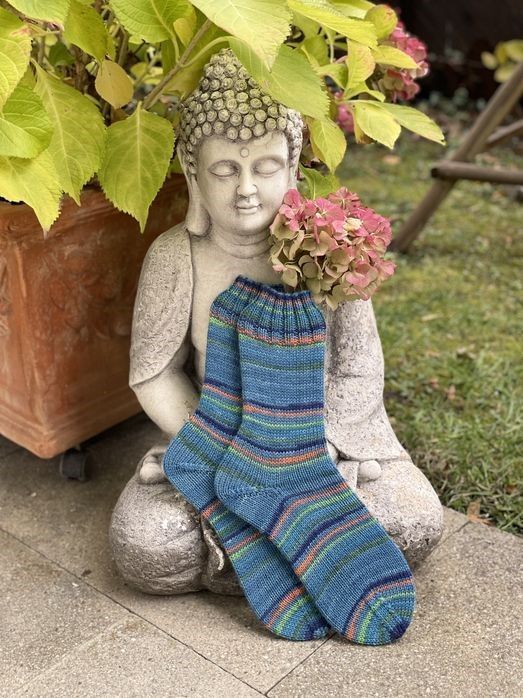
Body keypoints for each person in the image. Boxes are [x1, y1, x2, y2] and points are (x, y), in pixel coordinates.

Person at [111, 51, 442, 595]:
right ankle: (302, 548)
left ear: (291, 170)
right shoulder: (175, 257)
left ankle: (266, 543)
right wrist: (217, 445)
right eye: (224, 170)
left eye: (264, 168)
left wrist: (307, 449)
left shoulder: (327, 246)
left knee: (413, 521)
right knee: (148, 544)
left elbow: (357, 368)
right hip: (213, 436)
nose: (245, 189)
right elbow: (155, 373)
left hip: (322, 441)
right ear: (194, 177)